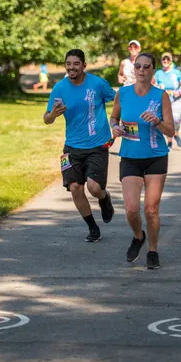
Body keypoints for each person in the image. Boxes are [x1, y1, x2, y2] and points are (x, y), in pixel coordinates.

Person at [43, 49, 116, 242]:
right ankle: (93, 228)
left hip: (98, 144)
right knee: (75, 187)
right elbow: (46, 119)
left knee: (93, 187)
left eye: (76, 63)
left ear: (84, 65)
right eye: (68, 64)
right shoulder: (59, 88)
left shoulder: (98, 84)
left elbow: (117, 101)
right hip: (72, 147)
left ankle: (104, 197)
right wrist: (53, 115)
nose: (71, 67)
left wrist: (117, 123)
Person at [110, 52, 174, 269]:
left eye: (147, 67)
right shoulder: (123, 93)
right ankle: (139, 236)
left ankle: (153, 250)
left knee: (151, 209)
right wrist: (115, 127)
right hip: (130, 157)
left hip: (155, 157)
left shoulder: (160, 96)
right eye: (138, 66)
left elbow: (171, 131)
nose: (142, 70)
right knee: (131, 209)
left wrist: (157, 121)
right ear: (133, 69)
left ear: (153, 70)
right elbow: (114, 117)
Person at [154, 52, 181, 148]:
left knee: (176, 120)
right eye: (164, 59)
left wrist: (179, 92)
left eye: (168, 59)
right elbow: (154, 85)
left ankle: (176, 134)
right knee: (167, 121)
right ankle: (169, 141)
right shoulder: (158, 73)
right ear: (161, 61)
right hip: (164, 101)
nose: (165, 61)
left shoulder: (176, 72)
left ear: (170, 61)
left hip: (175, 99)